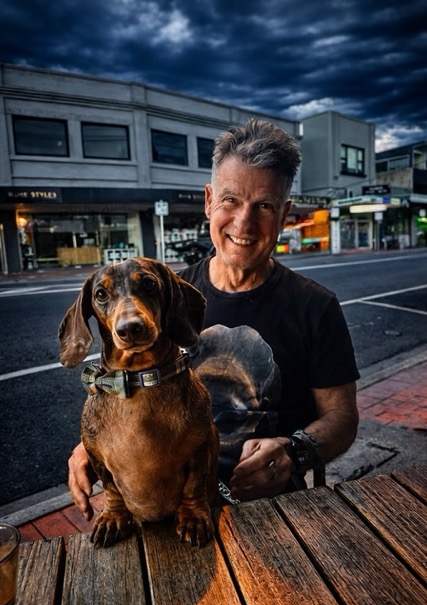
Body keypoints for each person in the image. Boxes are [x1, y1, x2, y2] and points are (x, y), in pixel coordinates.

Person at [68, 118, 359, 517]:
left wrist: (294, 451)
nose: (244, 224)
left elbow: (342, 419)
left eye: (264, 206)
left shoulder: (316, 307)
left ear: (285, 214)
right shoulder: (165, 297)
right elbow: (125, 392)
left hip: (268, 508)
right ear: (209, 201)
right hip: (169, 505)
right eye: (231, 201)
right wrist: (89, 446)